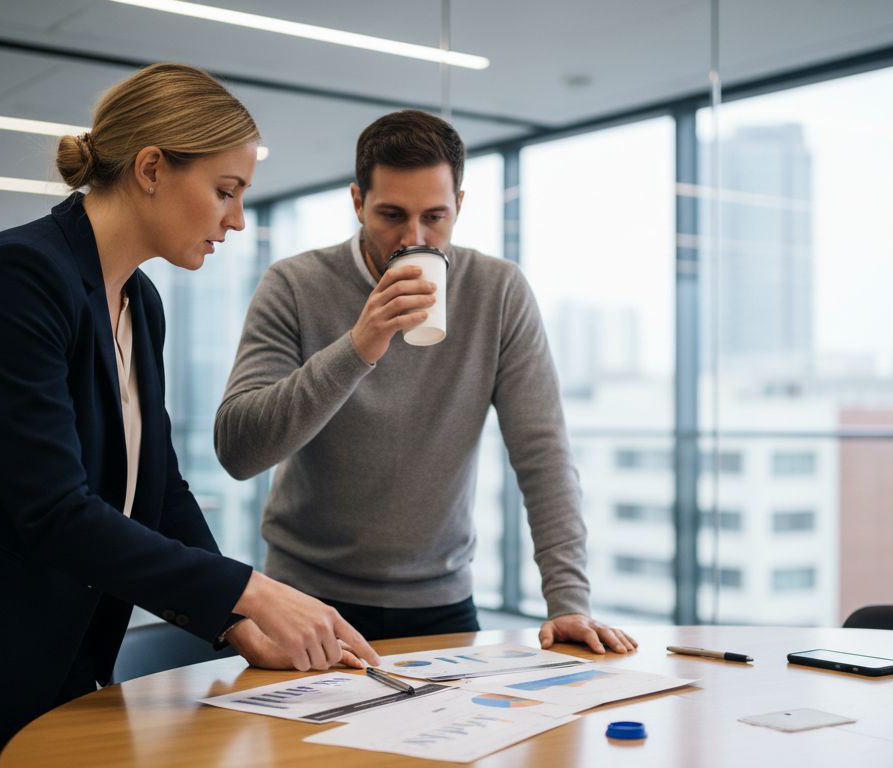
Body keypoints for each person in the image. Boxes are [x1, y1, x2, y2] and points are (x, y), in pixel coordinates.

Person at [0, 63, 378, 766]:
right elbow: (53, 509)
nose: (235, 218)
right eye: (224, 191)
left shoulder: (141, 303)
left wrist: (233, 621)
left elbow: (158, 489)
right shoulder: (17, 277)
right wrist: (253, 591)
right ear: (150, 169)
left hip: (46, 652)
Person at [213, 110, 636, 664]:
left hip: (443, 601)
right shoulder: (294, 285)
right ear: (357, 202)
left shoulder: (498, 291)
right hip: (306, 600)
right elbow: (239, 452)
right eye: (391, 214)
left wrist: (567, 599)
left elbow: (542, 453)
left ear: (460, 204)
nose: (414, 238)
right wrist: (360, 346)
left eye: (434, 216)